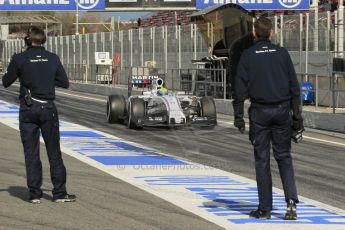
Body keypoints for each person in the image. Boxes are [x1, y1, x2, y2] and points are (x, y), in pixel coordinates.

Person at [233, 17, 303, 220]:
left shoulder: (247, 55)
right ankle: (291, 203)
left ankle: (265, 209)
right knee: (284, 157)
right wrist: (297, 118)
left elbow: (239, 89)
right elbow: (294, 87)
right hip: (282, 111)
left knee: (262, 160)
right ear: (271, 33)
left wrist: (238, 117)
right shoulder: (282, 53)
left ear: (254, 33)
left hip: (260, 113)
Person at [2, 26, 76, 204]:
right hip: (48, 109)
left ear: (28, 40)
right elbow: (64, 82)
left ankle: (35, 194)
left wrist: (17, 65)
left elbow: (5, 82)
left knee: (31, 153)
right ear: (43, 40)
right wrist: (47, 78)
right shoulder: (52, 58)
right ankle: (59, 193)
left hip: (28, 110)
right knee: (54, 152)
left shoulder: (20, 58)